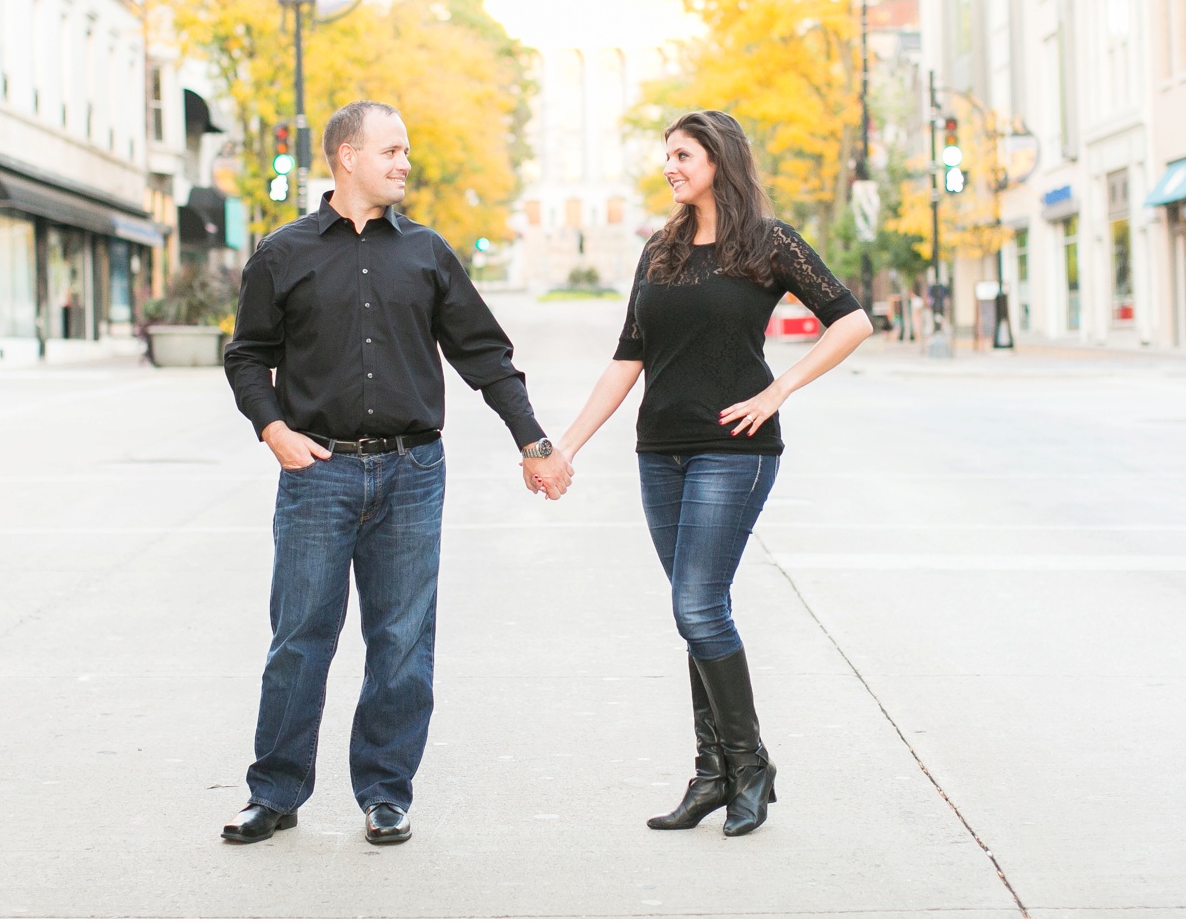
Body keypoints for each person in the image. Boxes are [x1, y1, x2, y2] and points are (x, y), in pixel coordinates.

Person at [220, 100, 572, 849]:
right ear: (347, 156)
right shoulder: (282, 253)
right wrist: (272, 427)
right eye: (392, 150)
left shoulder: (428, 253)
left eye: (406, 150)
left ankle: (386, 791)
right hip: (318, 470)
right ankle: (274, 792)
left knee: (403, 641)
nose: (404, 162)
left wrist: (534, 440)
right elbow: (246, 352)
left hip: (414, 470)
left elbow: (484, 354)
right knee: (300, 639)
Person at [553, 109, 872, 837]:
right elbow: (626, 359)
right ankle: (713, 773)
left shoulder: (767, 242)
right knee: (694, 609)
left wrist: (779, 388)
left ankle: (747, 765)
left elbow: (850, 321)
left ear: (719, 160)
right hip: (659, 452)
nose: (670, 166)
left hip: (734, 449)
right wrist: (567, 444)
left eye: (683, 154)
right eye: (666, 155)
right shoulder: (659, 250)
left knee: (698, 606)